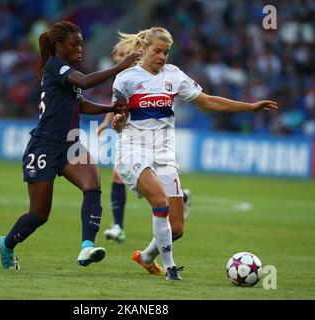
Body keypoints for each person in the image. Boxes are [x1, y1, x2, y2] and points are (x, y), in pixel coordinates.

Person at [111, 27, 278, 281]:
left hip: (164, 155)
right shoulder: (125, 79)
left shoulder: (174, 76)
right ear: (144, 49)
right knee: (160, 202)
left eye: (166, 52)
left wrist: (249, 107)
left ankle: (146, 257)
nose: (162, 57)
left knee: (176, 229)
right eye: (157, 51)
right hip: (134, 150)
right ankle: (170, 269)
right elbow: (119, 116)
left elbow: (208, 101)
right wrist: (118, 121)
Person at [0, 21, 142, 270]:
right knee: (39, 215)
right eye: (75, 45)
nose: (80, 49)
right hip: (43, 146)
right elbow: (84, 82)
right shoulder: (55, 66)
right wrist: (119, 67)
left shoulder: (67, 72)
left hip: (70, 144)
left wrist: (111, 107)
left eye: (82, 44)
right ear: (59, 46)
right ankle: (7, 244)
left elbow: (81, 103)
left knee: (92, 183)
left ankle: (87, 246)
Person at [98, 44, 193, 243]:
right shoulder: (125, 78)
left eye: (125, 55)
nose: (122, 58)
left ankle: (121, 225)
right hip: (132, 138)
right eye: (120, 55)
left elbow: (120, 106)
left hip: (153, 141)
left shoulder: (145, 75)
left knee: (128, 176)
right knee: (120, 174)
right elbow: (118, 105)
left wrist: (110, 121)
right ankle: (119, 226)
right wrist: (110, 122)